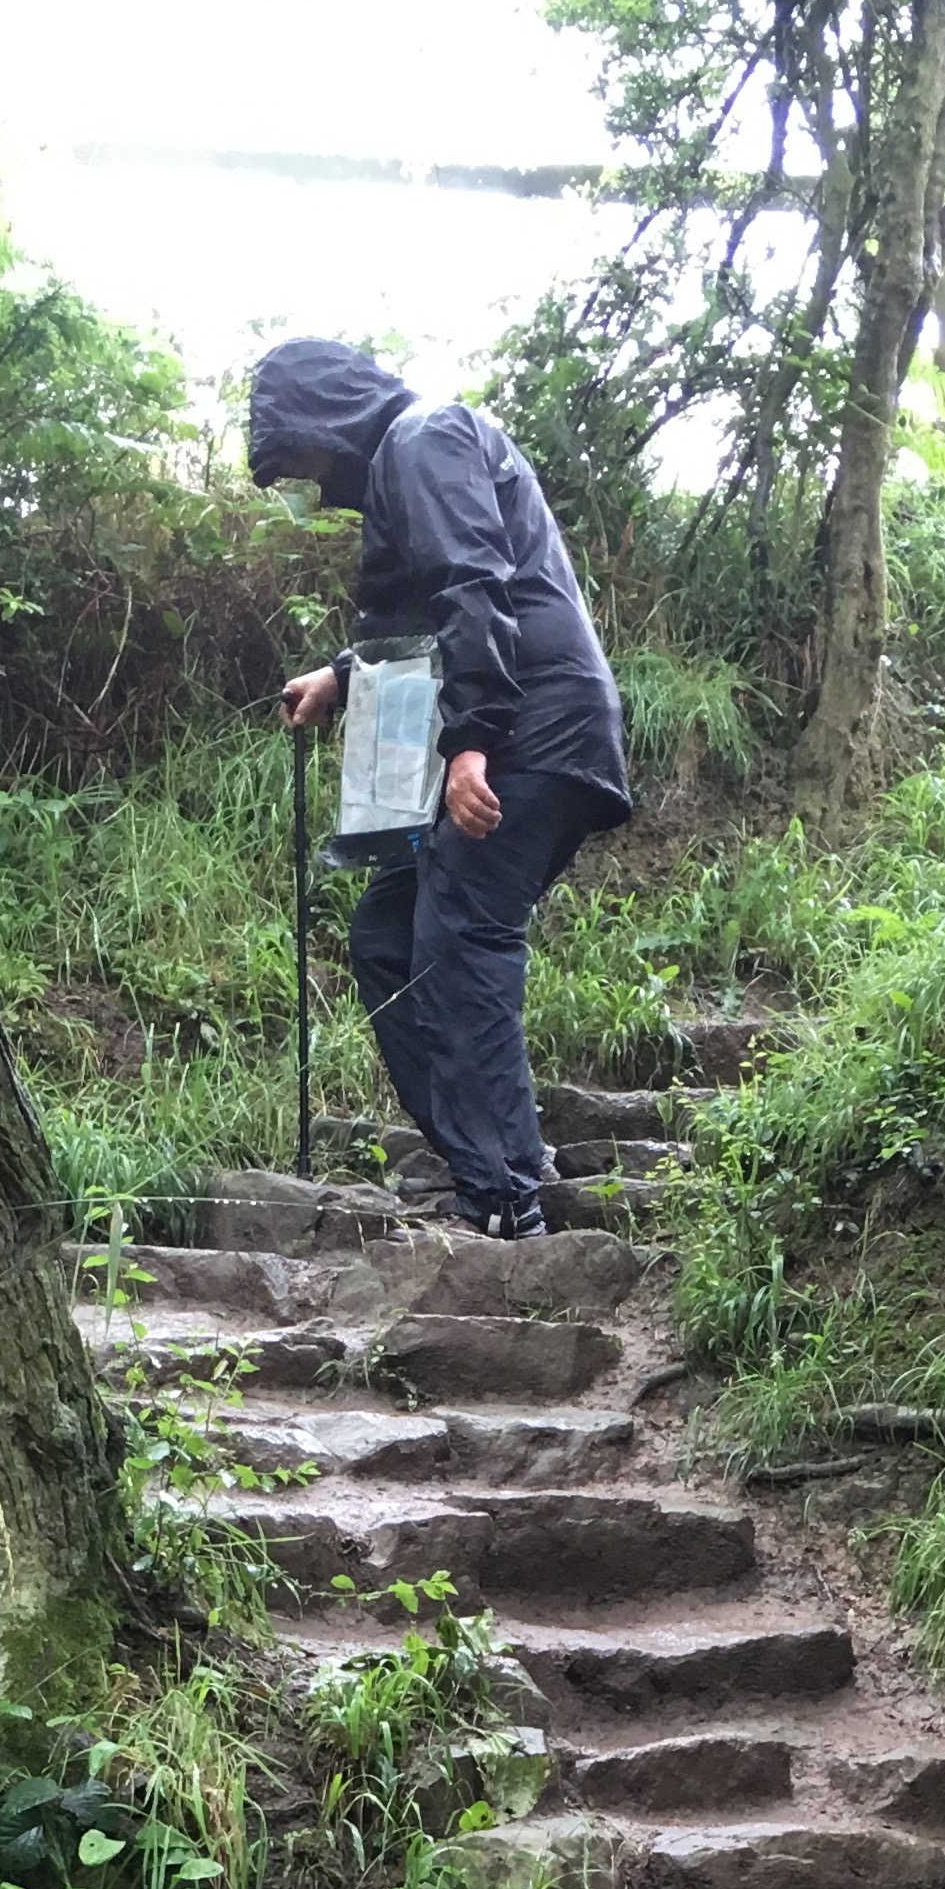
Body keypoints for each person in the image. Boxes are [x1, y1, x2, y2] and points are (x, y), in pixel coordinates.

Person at [249, 339, 633, 1240]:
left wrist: (470, 745)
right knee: (387, 935)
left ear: (324, 422)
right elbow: (423, 619)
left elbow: (474, 587)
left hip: (528, 732)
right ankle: (490, 1156)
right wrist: (344, 676)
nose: (304, 488)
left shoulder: (424, 439)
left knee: (459, 933)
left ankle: (505, 1203)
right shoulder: (404, 458)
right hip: (509, 727)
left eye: (297, 466)